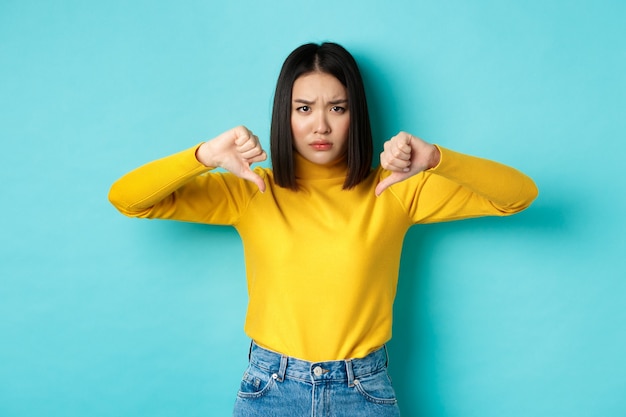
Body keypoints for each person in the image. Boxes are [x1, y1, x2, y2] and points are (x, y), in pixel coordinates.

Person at [108, 42, 538, 416]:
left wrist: (437, 159)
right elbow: (128, 199)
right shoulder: (252, 190)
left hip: (363, 391)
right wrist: (203, 155)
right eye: (303, 108)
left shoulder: (394, 190)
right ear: (285, 114)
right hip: (270, 389)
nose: (321, 126)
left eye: (337, 107)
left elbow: (517, 195)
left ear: (355, 114)